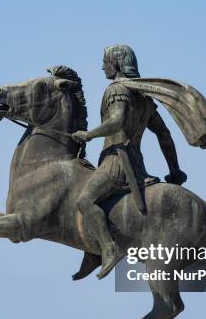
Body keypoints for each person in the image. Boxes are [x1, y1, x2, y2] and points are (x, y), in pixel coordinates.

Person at [72, 44, 187, 279]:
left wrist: (89, 134)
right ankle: (91, 252)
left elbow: (116, 121)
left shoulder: (116, 90)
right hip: (137, 164)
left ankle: (108, 249)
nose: (102, 66)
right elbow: (164, 135)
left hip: (116, 162)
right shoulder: (143, 97)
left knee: (84, 201)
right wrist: (174, 170)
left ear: (115, 63)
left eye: (104, 61)